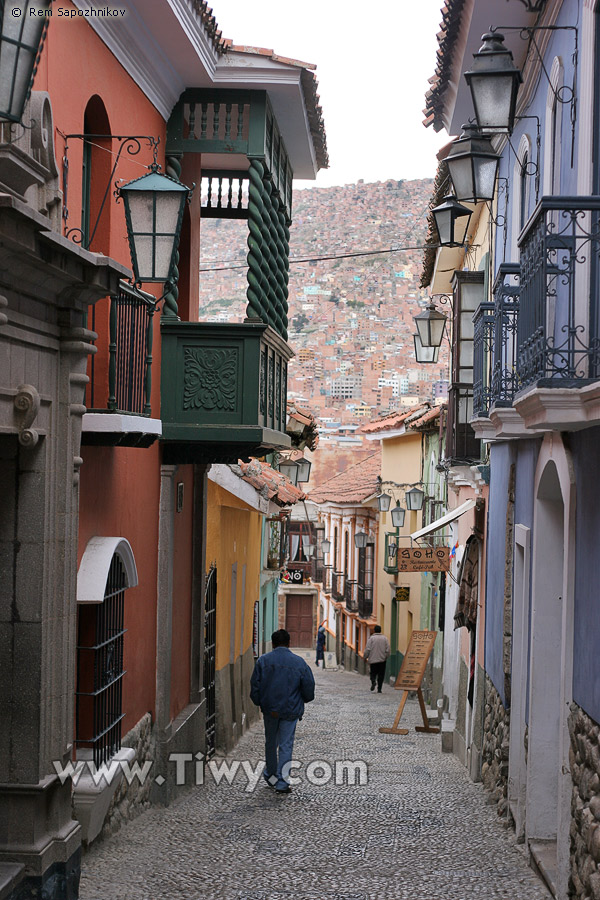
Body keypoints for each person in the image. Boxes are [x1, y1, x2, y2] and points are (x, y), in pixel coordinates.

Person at [250, 628, 315, 793]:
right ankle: (282, 782)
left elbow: (255, 686)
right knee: (286, 745)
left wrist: (260, 702)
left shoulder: (263, 661)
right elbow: (308, 688)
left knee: (270, 743)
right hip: (290, 710)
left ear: (273, 643)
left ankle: (271, 775)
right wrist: (303, 700)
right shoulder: (299, 663)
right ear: (289, 643)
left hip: (270, 709)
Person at [363, 624, 391, 693]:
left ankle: (373, 682)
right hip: (382, 660)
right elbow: (388, 650)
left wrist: (365, 657)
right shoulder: (385, 639)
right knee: (381, 675)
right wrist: (385, 657)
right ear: (380, 630)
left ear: (374, 631)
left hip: (373, 660)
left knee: (373, 673)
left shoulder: (371, 639)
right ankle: (379, 689)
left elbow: (368, 649)